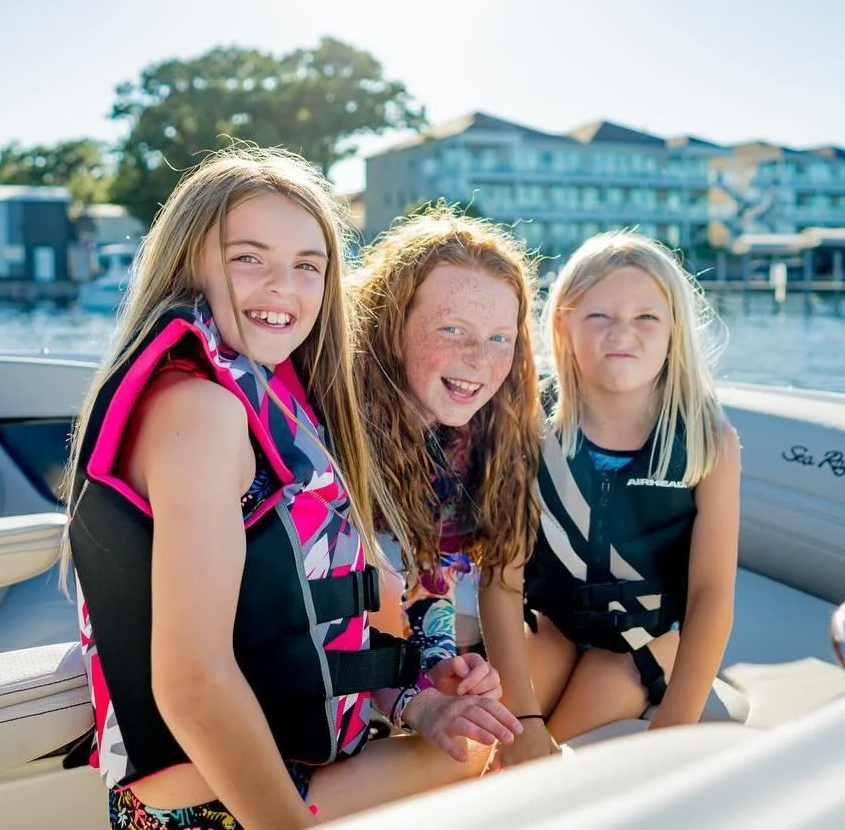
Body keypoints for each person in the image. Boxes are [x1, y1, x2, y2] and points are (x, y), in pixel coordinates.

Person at [63, 150, 522, 830]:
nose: (284, 287)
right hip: (205, 805)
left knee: (468, 745)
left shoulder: (271, 392)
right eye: (249, 257)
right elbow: (193, 688)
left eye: (308, 265)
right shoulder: (201, 412)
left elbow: (300, 627)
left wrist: (417, 702)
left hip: (290, 755)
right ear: (190, 262)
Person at [348, 207, 554, 769]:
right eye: (452, 329)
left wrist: (440, 664)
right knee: (464, 766)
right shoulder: (331, 435)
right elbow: (313, 621)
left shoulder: (462, 442)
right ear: (390, 323)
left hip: (380, 691)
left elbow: (429, 588)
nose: (480, 361)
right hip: (306, 713)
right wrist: (416, 701)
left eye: (498, 337)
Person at [520, 230, 741, 746]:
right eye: (599, 316)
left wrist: (675, 724)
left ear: (674, 333)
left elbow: (712, 595)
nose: (624, 332)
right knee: (500, 737)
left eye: (646, 318)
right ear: (564, 325)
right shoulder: (527, 426)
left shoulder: (709, 442)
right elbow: (503, 576)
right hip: (551, 624)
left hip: (645, 638)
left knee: (562, 742)